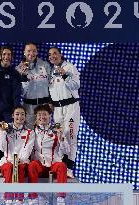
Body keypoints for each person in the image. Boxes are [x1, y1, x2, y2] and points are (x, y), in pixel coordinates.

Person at [0, 46, 22, 177]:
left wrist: (16, 111)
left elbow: (17, 94)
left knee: (10, 140)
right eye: (4, 54)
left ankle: (12, 168)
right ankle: (0, 169)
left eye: (9, 55)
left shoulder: (14, 73)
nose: (7, 57)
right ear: (0, 56)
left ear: (11, 57)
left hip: (8, 112)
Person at [48, 47, 80, 179]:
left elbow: (76, 85)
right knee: (59, 137)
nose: (52, 56)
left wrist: (65, 75)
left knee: (70, 135)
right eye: (50, 55)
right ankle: (61, 165)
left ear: (61, 54)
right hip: (57, 110)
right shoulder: (51, 72)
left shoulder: (69, 67)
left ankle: (70, 167)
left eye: (55, 53)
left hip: (71, 107)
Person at [28, 104, 69, 205]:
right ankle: (33, 198)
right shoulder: (32, 131)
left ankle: (60, 198)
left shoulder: (56, 130)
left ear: (50, 116)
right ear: (36, 117)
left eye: (45, 114)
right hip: (40, 166)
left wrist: (61, 138)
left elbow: (66, 150)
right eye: (39, 115)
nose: (42, 117)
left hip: (53, 165)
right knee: (32, 165)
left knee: (62, 165)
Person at [0, 106, 35, 205]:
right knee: (10, 167)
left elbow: (28, 149)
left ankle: (19, 199)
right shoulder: (5, 129)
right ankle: (8, 199)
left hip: (22, 162)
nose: (20, 116)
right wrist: (3, 132)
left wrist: (19, 160)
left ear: (25, 117)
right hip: (7, 162)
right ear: (12, 116)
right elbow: (2, 148)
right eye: (17, 114)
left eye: (22, 114)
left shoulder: (30, 132)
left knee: (20, 167)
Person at [16, 43, 52, 128]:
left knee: (44, 133)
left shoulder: (45, 65)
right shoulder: (18, 69)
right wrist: (23, 76)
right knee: (30, 134)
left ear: (37, 52)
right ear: (24, 52)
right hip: (29, 107)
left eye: (34, 51)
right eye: (29, 51)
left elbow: (51, 85)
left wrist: (51, 102)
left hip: (44, 106)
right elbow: (20, 92)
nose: (31, 53)